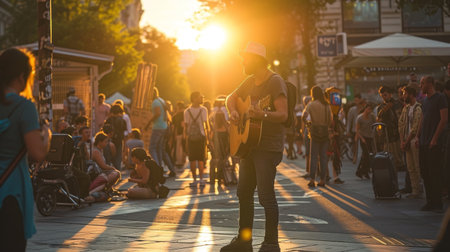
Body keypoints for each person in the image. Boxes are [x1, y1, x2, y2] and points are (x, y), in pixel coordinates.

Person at [221, 41, 287, 252]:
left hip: (267, 147)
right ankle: (244, 240)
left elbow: (283, 114)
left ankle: (271, 243)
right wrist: (233, 111)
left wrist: (263, 115)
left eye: (245, 58)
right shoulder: (249, 81)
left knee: (265, 196)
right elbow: (231, 98)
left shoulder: (275, 82)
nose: (242, 61)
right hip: (249, 146)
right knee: (243, 192)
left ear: (256, 60)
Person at [0, 48, 51, 250]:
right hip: (11, 195)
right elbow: (37, 153)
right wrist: (46, 135)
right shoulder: (24, 107)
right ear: (22, 76)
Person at [417, 76, 448, 212]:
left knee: (434, 173)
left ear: (430, 84)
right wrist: (418, 136)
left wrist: (435, 138)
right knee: (425, 173)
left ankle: (437, 203)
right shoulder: (425, 101)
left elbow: (444, 119)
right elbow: (422, 119)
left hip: (434, 143)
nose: (420, 86)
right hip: (424, 141)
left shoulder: (440, 98)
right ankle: (430, 201)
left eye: (422, 83)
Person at [303, 86, 333, 188]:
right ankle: (323, 179)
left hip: (314, 131)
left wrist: (308, 124)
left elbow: (304, 116)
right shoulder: (326, 105)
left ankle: (312, 179)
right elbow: (330, 119)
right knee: (323, 157)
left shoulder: (310, 105)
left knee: (314, 156)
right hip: (325, 131)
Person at [144, 87, 175, 177]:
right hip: (165, 126)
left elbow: (157, 113)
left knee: (152, 148)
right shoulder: (161, 100)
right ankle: (171, 169)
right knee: (161, 149)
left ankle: (158, 169)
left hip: (158, 127)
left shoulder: (155, 102)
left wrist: (148, 123)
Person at [398, 86, 423, 198]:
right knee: (410, 168)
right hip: (406, 141)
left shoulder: (418, 108)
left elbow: (415, 127)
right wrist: (402, 140)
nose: (403, 96)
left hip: (413, 140)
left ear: (411, 95)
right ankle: (415, 191)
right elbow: (401, 124)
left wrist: (406, 141)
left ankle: (420, 190)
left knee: (417, 167)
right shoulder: (406, 108)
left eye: (405, 93)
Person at [377, 86, 405, 172]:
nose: (384, 97)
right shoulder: (380, 107)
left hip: (397, 134)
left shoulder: (398, 104)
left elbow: (401, 119)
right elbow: (379, 121)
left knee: (398, 158)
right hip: (386, 135)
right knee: (388, 158)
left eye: (385, 95)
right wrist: (380, 132)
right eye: (382, 96)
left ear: (390, 94)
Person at [184, 91, 209, 187]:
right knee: (201, 158)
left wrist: (186, 139)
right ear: (194, 98)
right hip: (201, 136)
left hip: (191, 137)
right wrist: (208, 138)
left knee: (192, 158)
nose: (202, 99)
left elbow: (186, 127)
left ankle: (195, 180)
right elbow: (206, 125)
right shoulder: (203, 110)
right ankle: (201, 179)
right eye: (200, 97)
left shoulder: (187, 111)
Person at [89, 132, 121, 200]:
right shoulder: (96, 151)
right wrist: (113, 168)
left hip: (101, 172)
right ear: (99, 142)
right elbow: (103, 166)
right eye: (105, 142)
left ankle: (107, 189)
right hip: (96, 173)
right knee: (116, 173)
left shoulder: (101, 150)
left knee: (116, 173)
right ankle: (103, 188)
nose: (106, 144)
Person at [355, 104, 376, 179]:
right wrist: (362, 138)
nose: (369, 111)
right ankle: (361, 171)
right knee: (366, 155)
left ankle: (363, 172)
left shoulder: (372, 116)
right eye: (368, 109)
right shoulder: (359, 118)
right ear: (365, 108)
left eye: (371, 109)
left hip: (370, 138)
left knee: (367, 156)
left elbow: (376, 124)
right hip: (363, 138)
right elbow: (357, 130)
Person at [105, 104, 127, 171]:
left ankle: (109, 170)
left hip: (110, 140)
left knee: (109, 156)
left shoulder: (108, 120)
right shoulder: (123, 121)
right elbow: (124, 132)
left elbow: (105, 129)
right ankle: (117, 171)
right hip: (119, 140)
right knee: (118, 157)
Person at [172, 101, 186, 168]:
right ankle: (182, 160)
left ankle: (179, 161)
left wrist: (174, 134)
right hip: (184, 133)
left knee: (179, 148)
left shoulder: (176, 116)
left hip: (179, 133)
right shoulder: (185, 114)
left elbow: (174, 127)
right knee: (182, 147)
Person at [301, 96, 312, 178]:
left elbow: (303, 121)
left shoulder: (306, 109)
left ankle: (308, 170)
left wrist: (303, 132)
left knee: (308, 152)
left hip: (309, 130)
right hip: (316, 130)